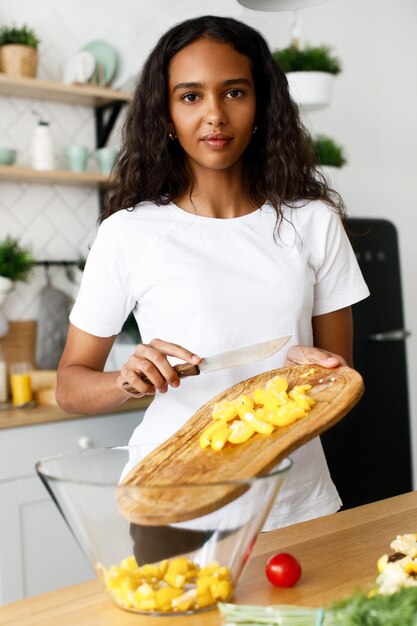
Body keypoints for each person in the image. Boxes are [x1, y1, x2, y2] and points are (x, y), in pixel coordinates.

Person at [56, 15, 369, 540]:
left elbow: (344, 379)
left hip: (296, 507)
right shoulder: (128, 233)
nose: (215, 116)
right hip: (175, 505)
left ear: (262, 103)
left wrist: (309, 375)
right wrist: (124, 381)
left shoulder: (314, 222)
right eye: (190, 96)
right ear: (165, 112)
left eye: (234, 92)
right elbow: (70, 384)